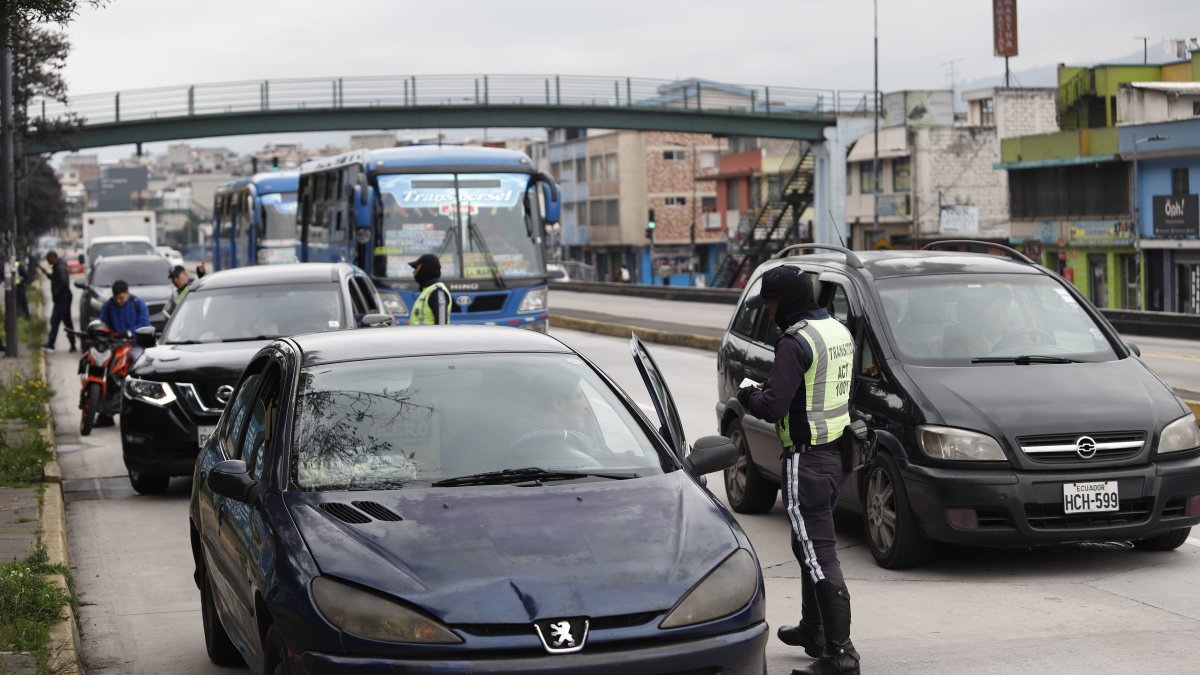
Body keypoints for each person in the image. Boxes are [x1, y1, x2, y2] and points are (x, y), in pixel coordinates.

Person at [735, 265, 859, 675]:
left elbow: (772, 407)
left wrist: (747, 394)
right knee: (804, 544)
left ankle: (841, 655)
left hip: (806, 459)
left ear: (784, 302)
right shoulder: (837, 332)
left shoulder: (794, 341)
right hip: (836, 455)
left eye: (770, 303)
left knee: (818, 551)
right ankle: (813, 630)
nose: (768, 310)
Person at [40, 250, 76, 352]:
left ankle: (72, 344)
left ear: (53, 258)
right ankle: (51, 344)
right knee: (55, 321)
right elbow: (56, 279)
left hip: (63, 299)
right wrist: (47, 274)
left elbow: (64, 282)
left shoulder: (60, 267)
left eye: (48, 260)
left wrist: (57, 293)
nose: (48, 262)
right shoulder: (57, 267)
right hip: (61, 299)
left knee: (65, 323)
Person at [408, 253, 450, 325]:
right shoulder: (427, 291)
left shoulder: (437, 292)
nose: (414, 272)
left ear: (425, 269)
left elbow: (442, 325)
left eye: (416, 268)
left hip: (430, 336)